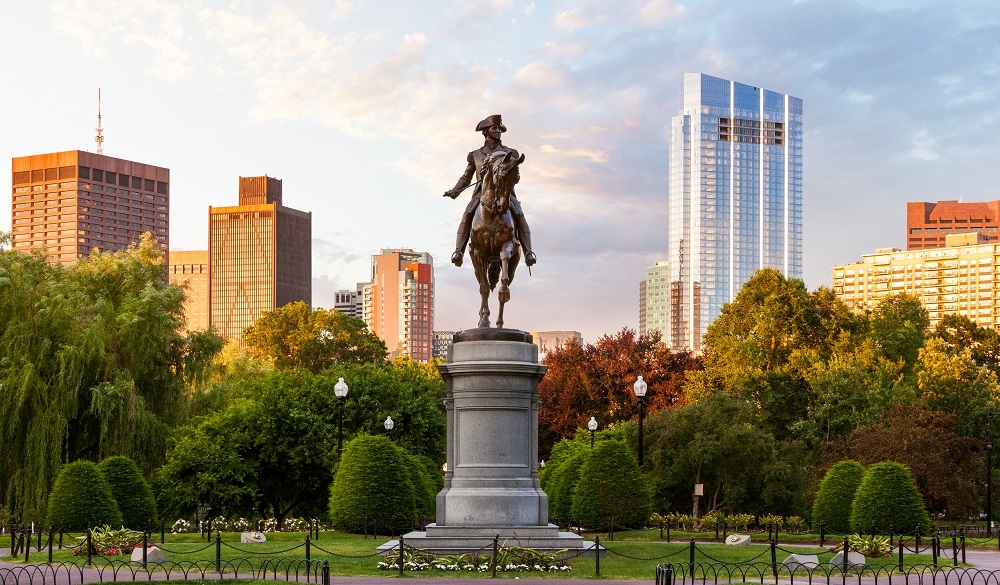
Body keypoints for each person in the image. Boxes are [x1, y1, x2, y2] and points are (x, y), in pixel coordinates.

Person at [443, 114, 536, 267]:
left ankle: (528, 252)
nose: (498, 131)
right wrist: (455, 190)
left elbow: (516, 177)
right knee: (467, 214)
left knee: (519, 214)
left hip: (506, 193)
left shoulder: (511, 153)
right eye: (495, 128)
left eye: (500, 129)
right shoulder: (475, 155)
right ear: (486, 132)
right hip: (481, 194)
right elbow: (466, 178)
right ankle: (458, 251)